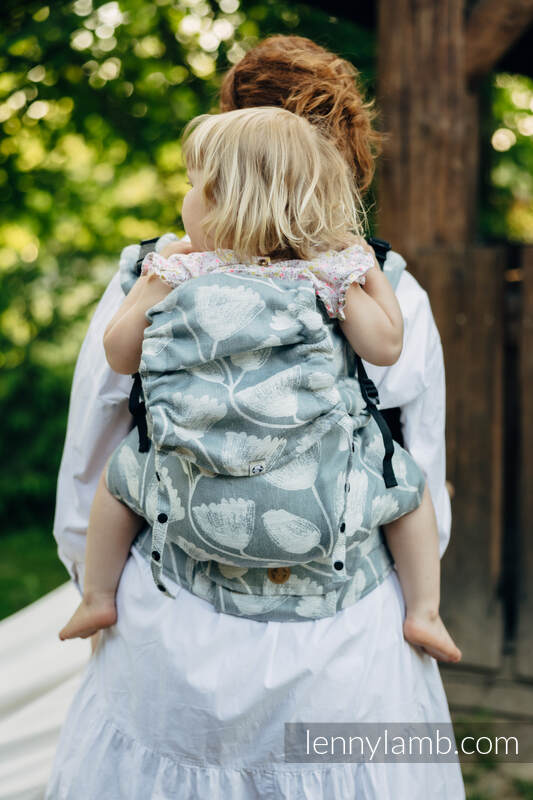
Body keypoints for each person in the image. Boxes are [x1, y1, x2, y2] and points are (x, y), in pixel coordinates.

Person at [46, 36, 465, 798]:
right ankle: (427, 616)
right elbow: (415, 453)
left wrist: (95, 580)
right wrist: (415, 594)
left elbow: (95, 448)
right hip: (342, 626)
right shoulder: (379, 283)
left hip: (172, 621)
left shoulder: (158, 269)